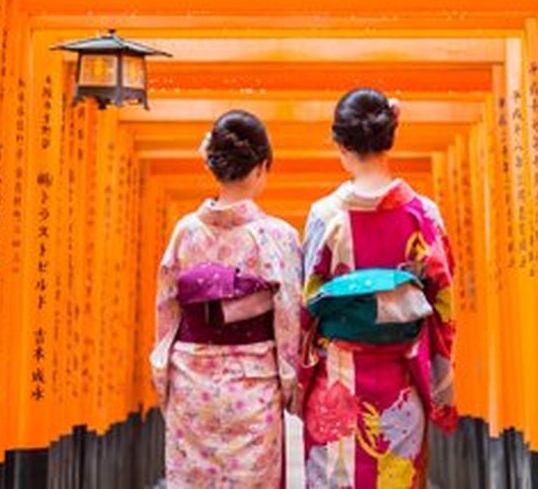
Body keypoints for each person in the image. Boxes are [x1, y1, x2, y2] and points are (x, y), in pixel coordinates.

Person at [299, 88, 457, 488]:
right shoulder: (422, 215)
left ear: (340, 144)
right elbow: (443, 307)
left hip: (337, 384)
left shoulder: (324, 216)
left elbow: (306, 308)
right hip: (400, 388)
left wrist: (299, 381)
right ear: (391, 136)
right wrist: (439, 379)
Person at [150, 110, 302, 488]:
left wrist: (162, 372)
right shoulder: (277, 237)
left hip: (190, 380)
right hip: (252, 385)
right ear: (263, 167)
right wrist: (290, 383)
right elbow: (288, 319)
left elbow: (167, 307)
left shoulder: (185, 232)